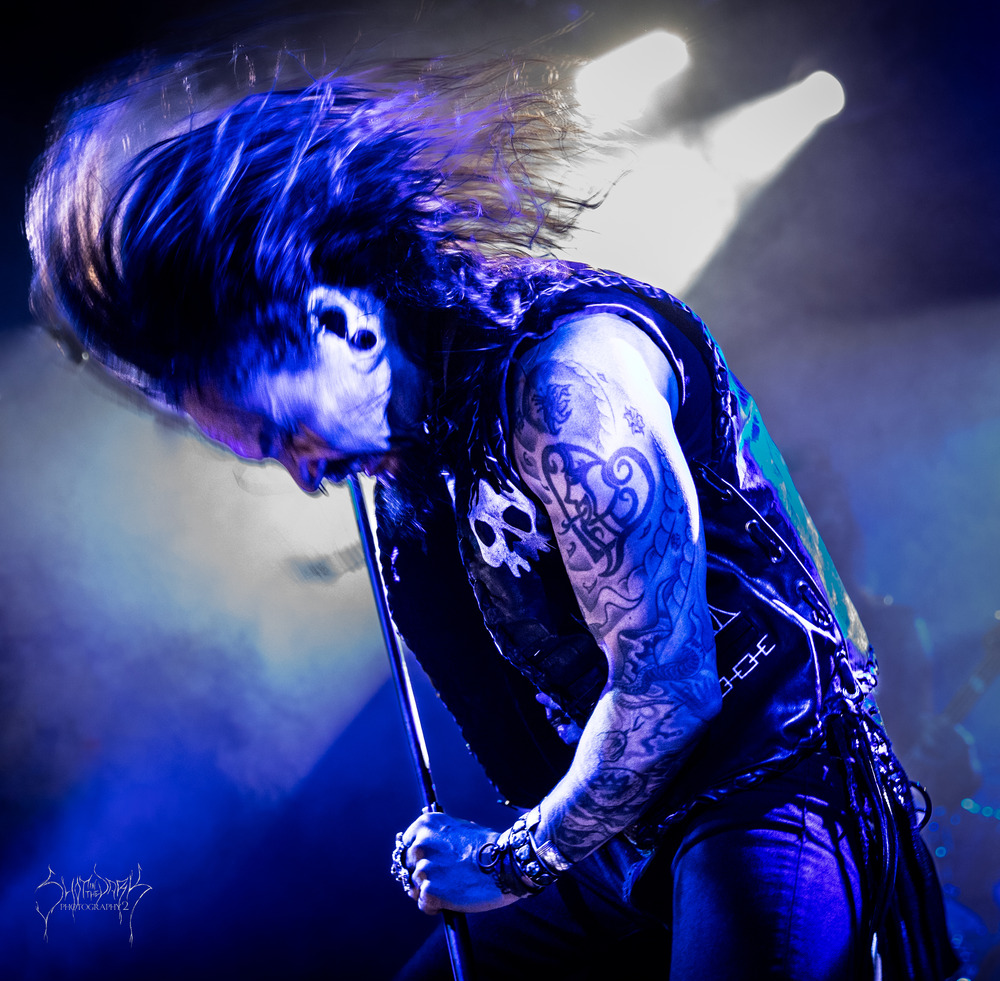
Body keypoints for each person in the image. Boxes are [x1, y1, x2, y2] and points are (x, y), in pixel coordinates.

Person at [25, 45, 958, 980]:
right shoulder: (417, 446)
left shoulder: (569, 384)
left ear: (343, 324)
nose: (306, 477)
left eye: (284, 434)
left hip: (764, 790)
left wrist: (511, 860)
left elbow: (668, 692)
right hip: (620, 839)